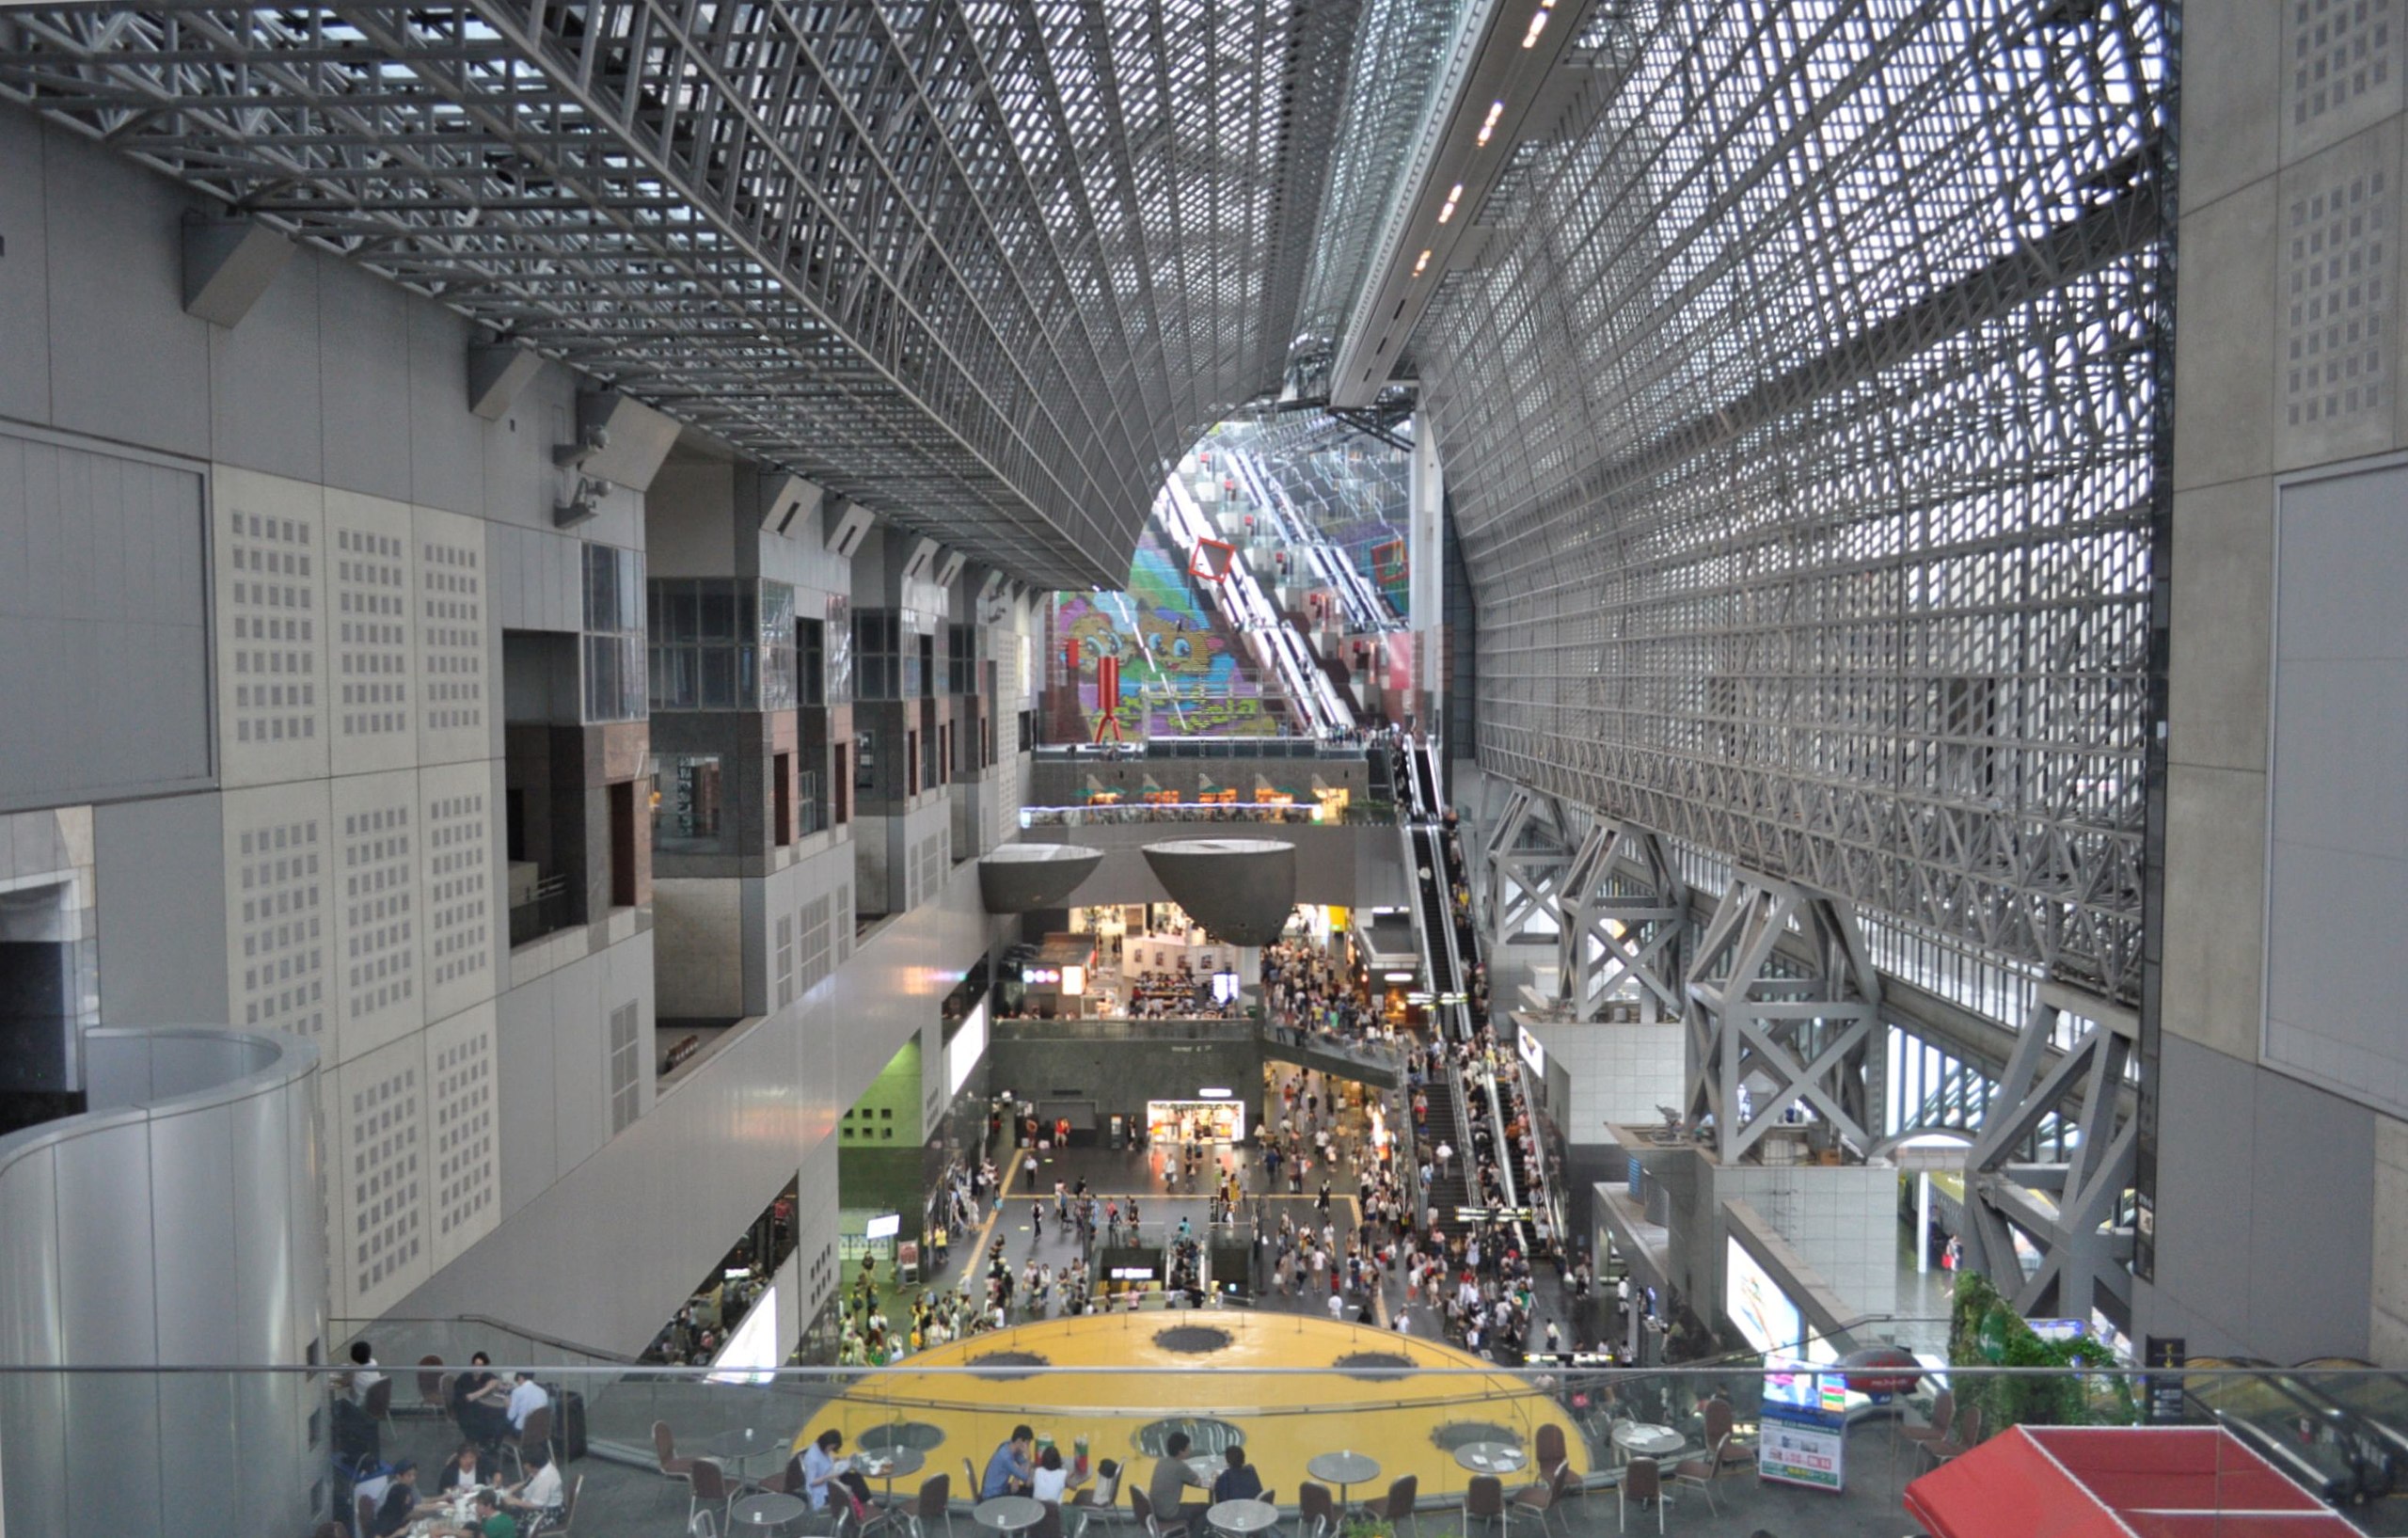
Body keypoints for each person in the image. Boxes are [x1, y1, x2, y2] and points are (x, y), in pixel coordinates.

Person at [799, 1427, 876, 1514]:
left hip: (831, 1477)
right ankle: (867, 1506)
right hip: (823, 1487)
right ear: (828, 1445)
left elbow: (824, 1463)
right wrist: (828, 1477)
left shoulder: (822, 1448)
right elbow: (811, 1482)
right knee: (853, 1486)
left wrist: (837, 1460)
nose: (831, 1450)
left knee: (856, 1477)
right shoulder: (812, 1458)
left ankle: (868, 1503)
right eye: (832, 1448)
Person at [1147, 1431, 1209, 1524]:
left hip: (1156, 1510)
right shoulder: (1180, 1466)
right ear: (1181, 1452)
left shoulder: (1161, 1461)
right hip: (1170, 1513)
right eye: (1188, 1448)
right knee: (1207, 1508)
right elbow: (1197, 1482)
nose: (1190, 1450)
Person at [501, 1449, 564, 1526]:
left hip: (547, 1512)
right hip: (541, 1503)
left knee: (512, 1524)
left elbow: (537, 1505)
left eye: (526, 1465)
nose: (524, 1467)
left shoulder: (545, 1480)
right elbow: (532, 1480)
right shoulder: (543, 1466)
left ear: (534, 1467)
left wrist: (514, 1501)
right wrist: (517, 1486)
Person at [430, 1487, 517, 1538]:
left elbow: (478, 1534)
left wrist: (450, 1531)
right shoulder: (503, 1516)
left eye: (479, 1504)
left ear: (488, 1506)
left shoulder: (492, 1525)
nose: (476, 1506)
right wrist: (479, 1517)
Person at [983, 1424, 1036, 1498]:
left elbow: (1022, 1463)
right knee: (1028, 1492)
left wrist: (1028, 1464)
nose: (1028, 1447)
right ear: (1019, 1441)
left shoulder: (1010, 1445)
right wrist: (1029, 1459)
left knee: (1027, 1489)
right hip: (993, 1496)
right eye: (1027, 1443)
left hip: (1002, 1489)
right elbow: (1025, 1478)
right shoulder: (1006, 1457)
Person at [504, 1371, 550, 1435]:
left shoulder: (517, 1391)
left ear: (520, 1377)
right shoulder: (543, 1391)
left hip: (522, 1432)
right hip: (539, 1430)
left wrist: (507, 1405)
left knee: (501, 1420)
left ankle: (495, 1442)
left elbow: (510, 1417)